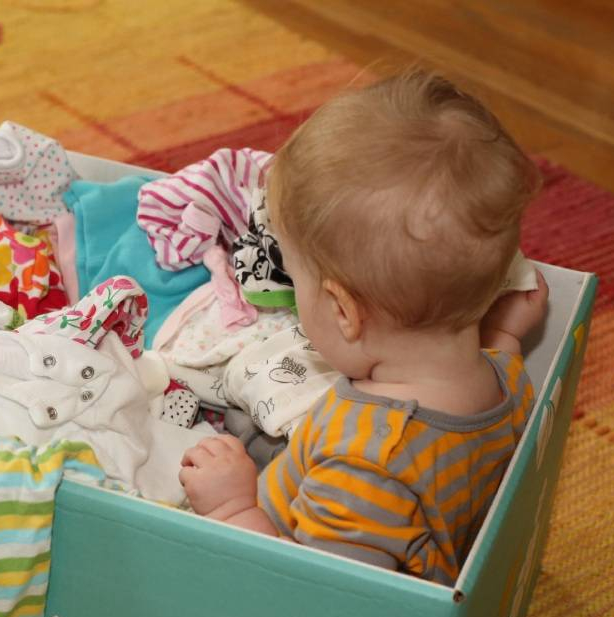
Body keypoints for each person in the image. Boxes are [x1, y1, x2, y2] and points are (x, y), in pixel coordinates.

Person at [178, 70, 549, 586]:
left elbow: (319, 596)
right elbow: (501, 366)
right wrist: (505, 335)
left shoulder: (363, 467)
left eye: (296, 279)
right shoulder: (502, 377)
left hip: (270, 556)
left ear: (343, 311)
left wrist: (233, 508)